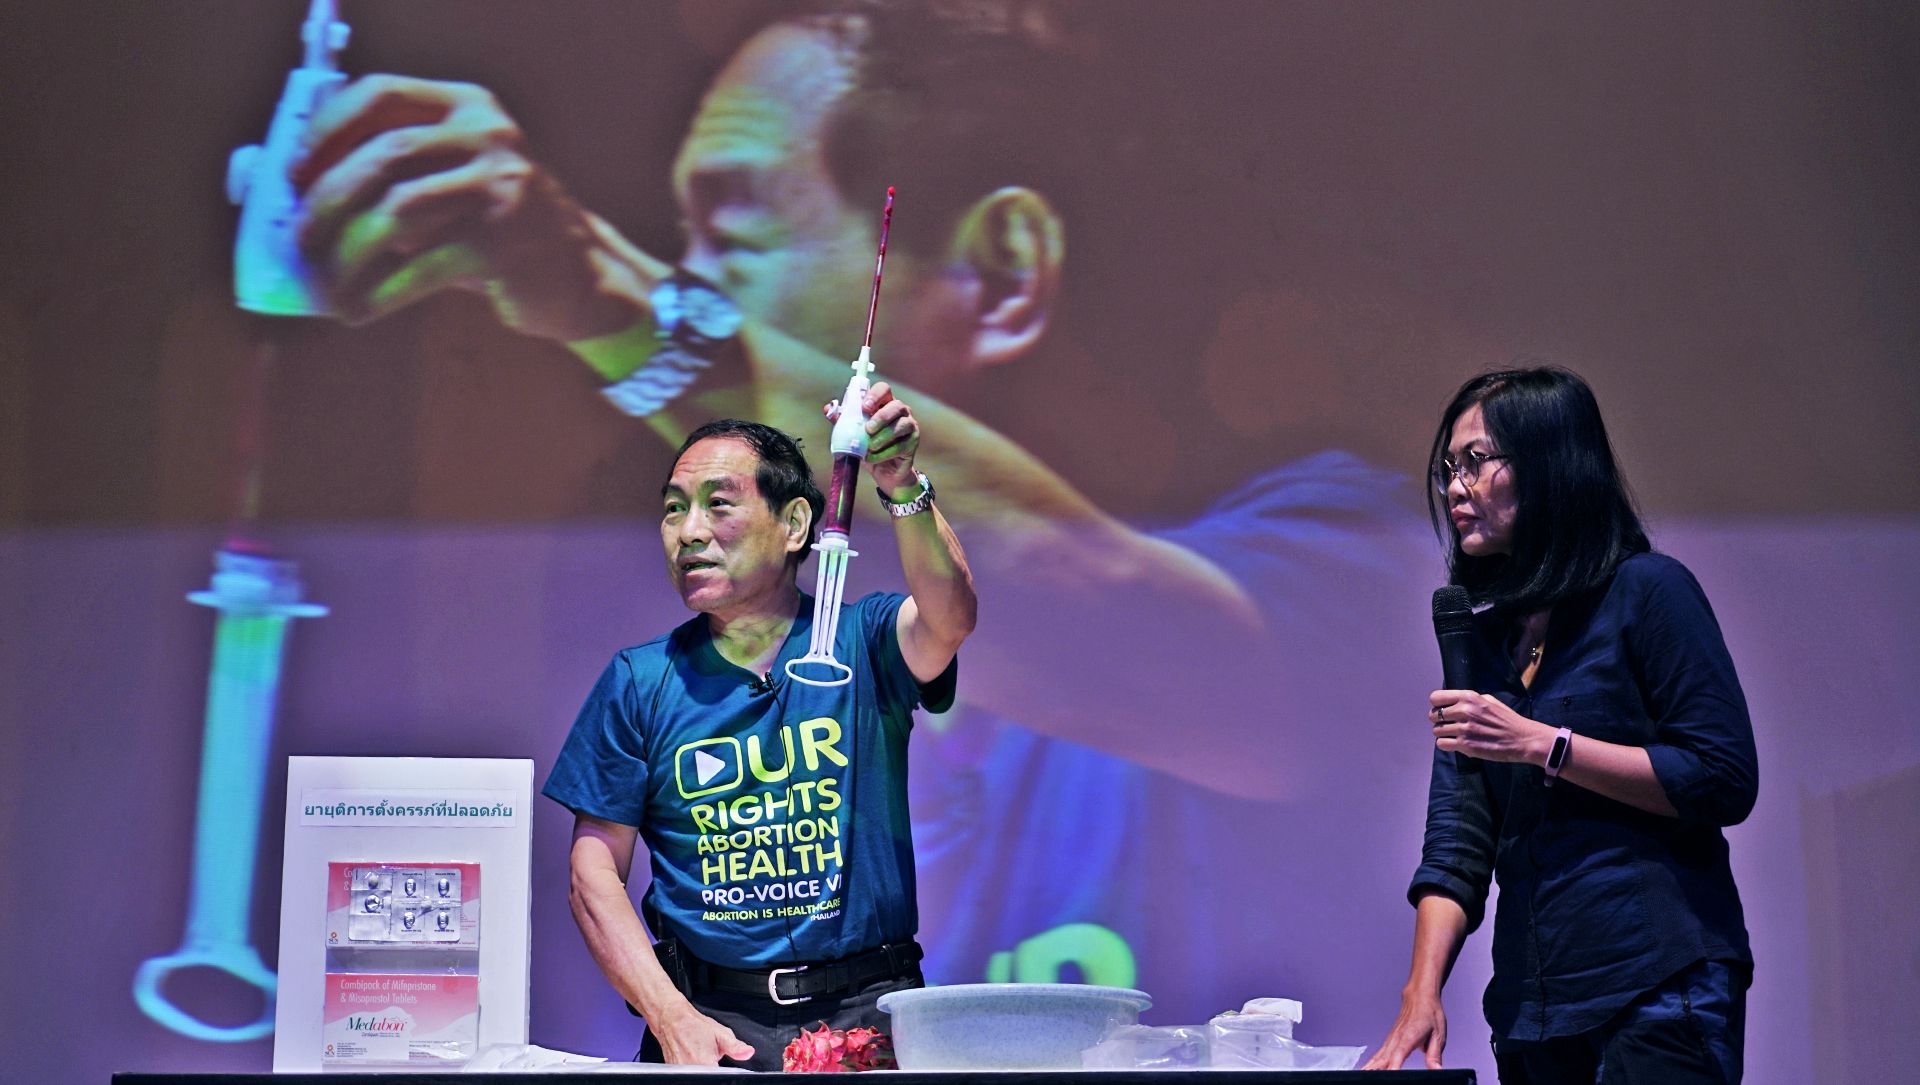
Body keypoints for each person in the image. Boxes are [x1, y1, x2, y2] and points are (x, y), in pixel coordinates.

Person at [290, 0, 1436, 1031]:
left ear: (999, 273)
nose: (686, 276)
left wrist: (622, 302)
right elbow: (603, 870)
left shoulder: (1337, 552)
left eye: (729, 238)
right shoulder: (678, 660)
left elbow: (1098, 613)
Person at [541, 405, 976, 1069]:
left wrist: (902, 485)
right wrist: (671, 1017)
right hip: (708, 1026)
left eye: (718, 504)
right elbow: (593, 869)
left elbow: (949, 617)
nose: (688, 532)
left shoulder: (863, 639)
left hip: (869, 1013)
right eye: (672, 509)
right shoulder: (641, 679)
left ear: (796, 524)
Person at [1363, 367, 1757, 1082]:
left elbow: (1723, 776)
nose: (1455, 486)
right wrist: (1421, 993)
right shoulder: (1485, 644)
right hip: (1532, 1009)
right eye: (1449, 467)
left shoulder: (1648, 591)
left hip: (1657, 986)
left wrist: (1543, 744)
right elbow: (1458, 841)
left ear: (1548, 466)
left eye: (1476, 462)